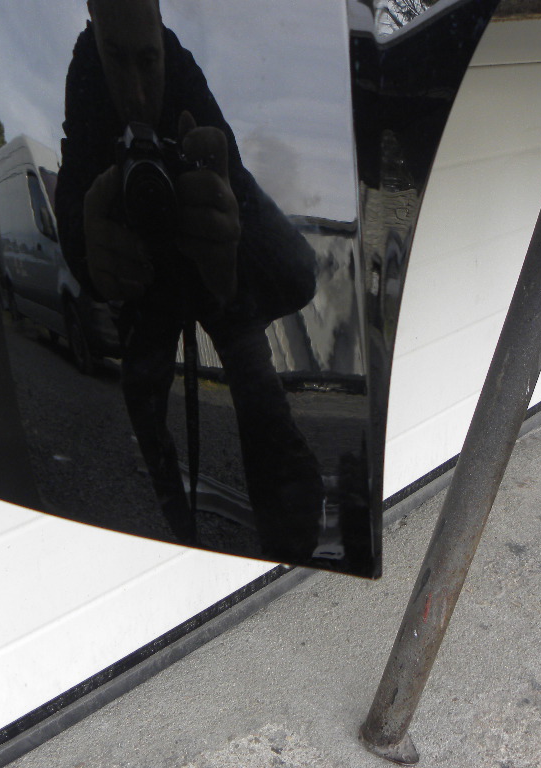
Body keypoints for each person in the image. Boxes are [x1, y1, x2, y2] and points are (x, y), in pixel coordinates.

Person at [55, 0, 323, 563]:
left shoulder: (180, 65)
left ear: (159, 24)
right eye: (116, 58)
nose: (135, 92)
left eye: (147, 61)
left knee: (257, 363)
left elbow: (234, 173)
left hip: (206, 259)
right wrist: (93, 253)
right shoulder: (84, 74)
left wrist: (225, 219)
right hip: (146, 273)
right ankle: (177, 535)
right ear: (93, 20)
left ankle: (294, 541)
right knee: (142, 392)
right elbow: (75, 184)